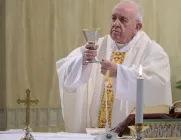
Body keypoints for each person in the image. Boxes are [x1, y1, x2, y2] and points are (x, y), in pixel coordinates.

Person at [56, 0, 172, 133]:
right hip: (94, 131)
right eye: (114, 18)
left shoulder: (152, 51)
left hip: (131, 133)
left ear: (137, 27)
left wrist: (119, 72)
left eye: (123, 20)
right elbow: (66, 68)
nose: (116, 24)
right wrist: (82, 62)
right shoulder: (98, 44)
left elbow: (157, 85)